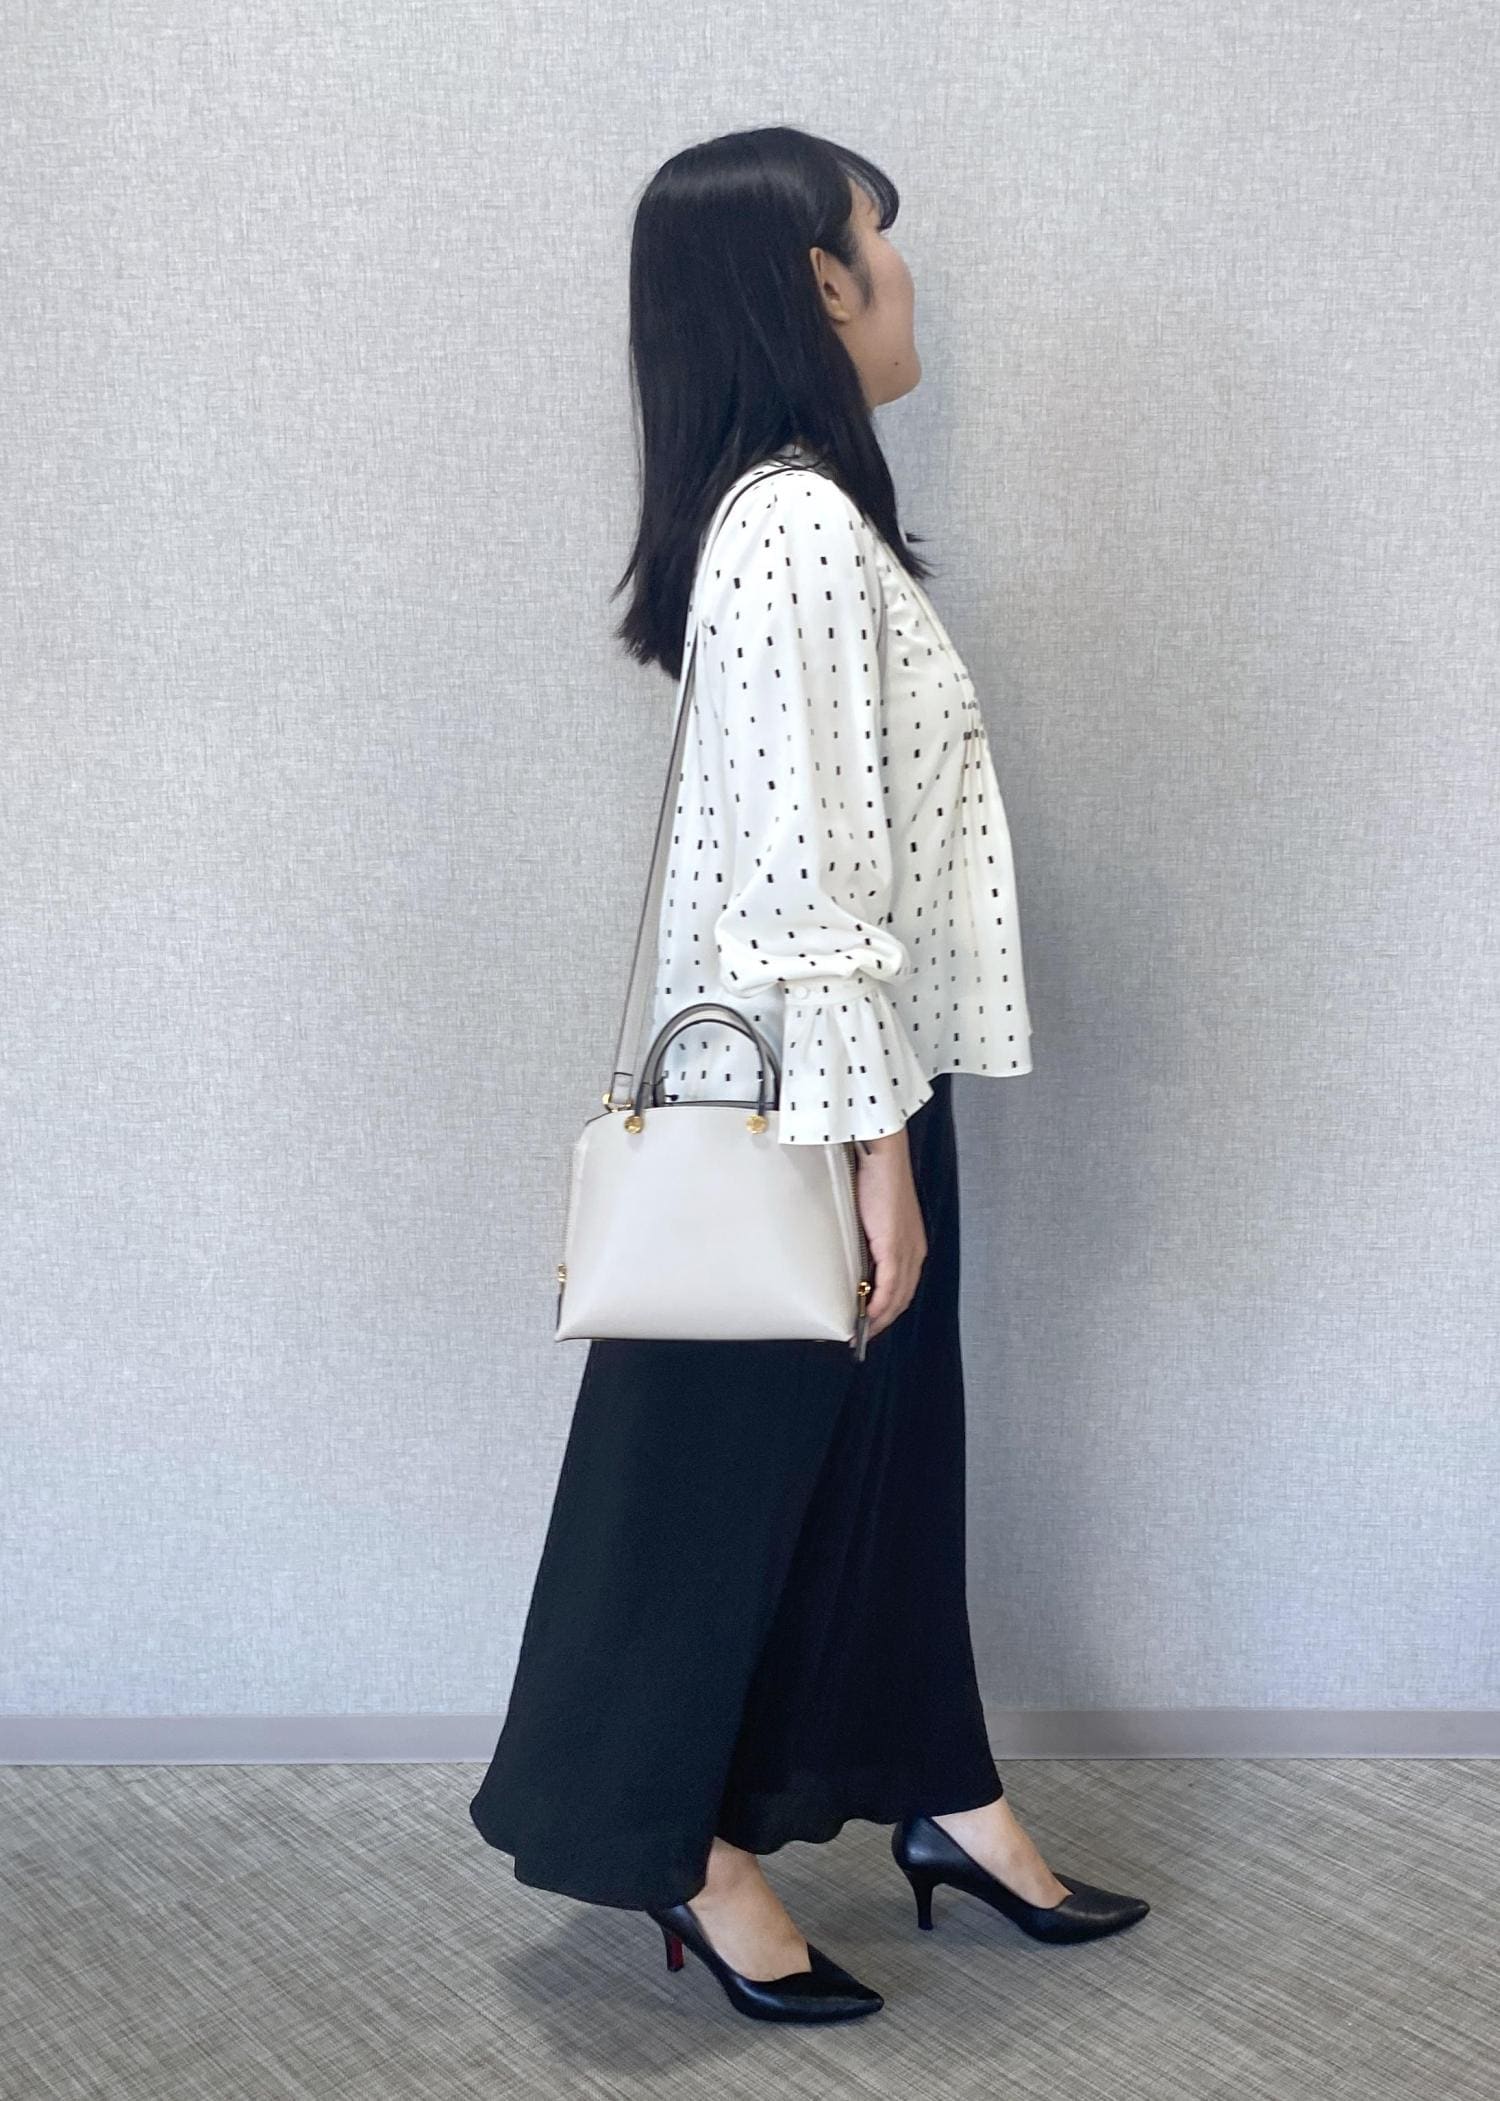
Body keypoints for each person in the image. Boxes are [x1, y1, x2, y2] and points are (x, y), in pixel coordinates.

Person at [469, 125, 1149, 2024]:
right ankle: (677, 1847)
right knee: (704, 1484)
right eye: (880, 243)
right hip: (811, 1103)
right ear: (813, 286)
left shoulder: (796, 520)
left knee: (880, 1460)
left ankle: (946, 1789)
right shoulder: (789, 527)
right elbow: (799, 881)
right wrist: (876, 1151)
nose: (909, 277)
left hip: (861, 1078)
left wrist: (892, 1120)